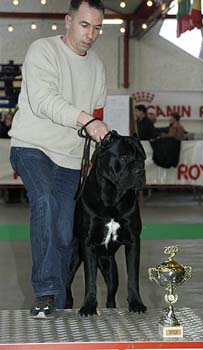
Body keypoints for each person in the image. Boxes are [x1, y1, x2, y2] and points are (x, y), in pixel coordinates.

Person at [9, 0, 110, 319]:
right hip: (31, 147)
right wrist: (86, 120)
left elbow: (98, 117)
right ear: (68, 21)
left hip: (69, 160)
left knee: (66, 233)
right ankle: (45, 293)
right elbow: (43, 101)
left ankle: (59, 293)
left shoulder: (97, 66)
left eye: (97, 28)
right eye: (84, 25)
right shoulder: (43, 50)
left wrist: (95, 162)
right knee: (46, 203)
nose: (90, 34)